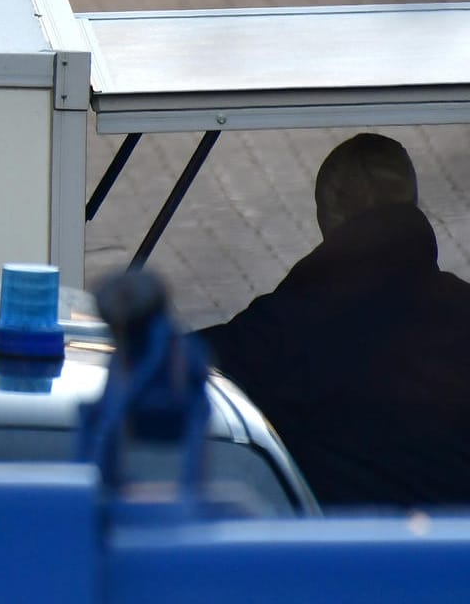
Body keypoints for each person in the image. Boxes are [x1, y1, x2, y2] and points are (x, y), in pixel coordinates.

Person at [197, 133, 470, 509]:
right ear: (411, 203)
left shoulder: (290, 326)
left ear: (329, 214)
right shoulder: (461, 310)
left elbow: (180, 367)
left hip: (344, 558)